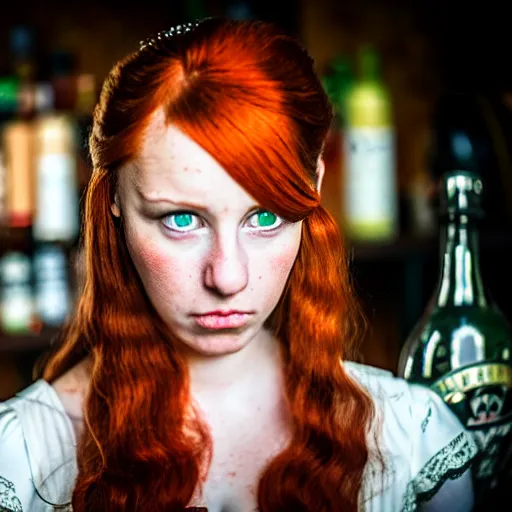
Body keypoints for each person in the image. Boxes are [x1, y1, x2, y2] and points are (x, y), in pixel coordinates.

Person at [0, 17, 478, 512]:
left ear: (313, 185)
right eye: (182, 219)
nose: (228, 277)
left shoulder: (410, 445)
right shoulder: (18, 465)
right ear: (115, 197)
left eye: (265, 217)